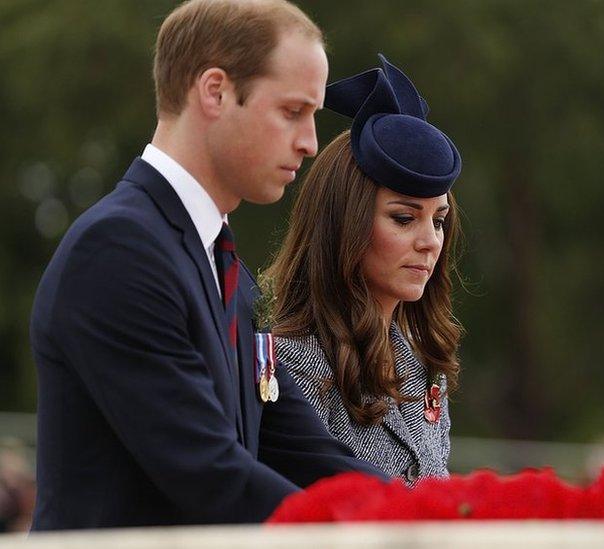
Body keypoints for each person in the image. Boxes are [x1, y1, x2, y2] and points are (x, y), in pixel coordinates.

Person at [29, 0, 385, 531]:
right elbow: (210, 475)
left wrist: (451, 515)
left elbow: (311, 456)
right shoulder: (117, 252)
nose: (311, 143)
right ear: (214, 91)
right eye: (293, 112)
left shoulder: (218, 263)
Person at [264, 55, 463, 484]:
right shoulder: (292, 365)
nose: (430, 240)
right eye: (404, 218)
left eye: (439, 219)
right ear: (345, 224)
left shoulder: (422, 361)